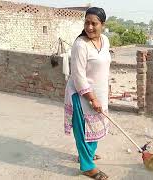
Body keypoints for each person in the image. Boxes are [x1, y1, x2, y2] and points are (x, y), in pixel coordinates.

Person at [64, 7, 111, 180]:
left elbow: (105, 67)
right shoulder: (80, 44)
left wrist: (106, 91)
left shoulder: (105, 40)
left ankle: (87, 155)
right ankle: (87, 166)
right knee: (83, 131)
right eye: (87, 23)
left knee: (96, 128)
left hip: (100, 93)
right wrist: (91, 98)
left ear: (103, 25)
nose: (89, 27)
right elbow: (78, 76)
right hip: (81, 94)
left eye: (94, 23)